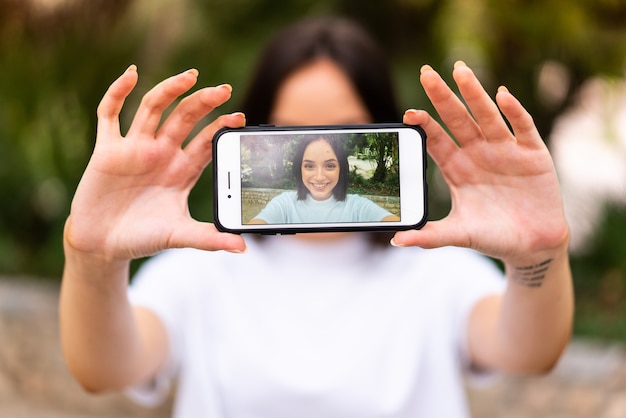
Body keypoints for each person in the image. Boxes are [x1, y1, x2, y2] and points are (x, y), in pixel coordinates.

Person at [60, 17, 573, 418]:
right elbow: (104, 370)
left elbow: (529, 352)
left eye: (342, 134)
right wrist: (92, 260)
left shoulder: (437, 266)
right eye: (295, 135)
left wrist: (538, 255)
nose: (320, 162)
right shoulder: (203, 266)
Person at [248, 134, 399, 224]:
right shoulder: (284, 203)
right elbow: (255, 228)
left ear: (341, 168)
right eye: (309, 166)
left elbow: (398, 226)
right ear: (299, 169)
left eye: (330, 166)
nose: (319, 177)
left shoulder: (358, 207)